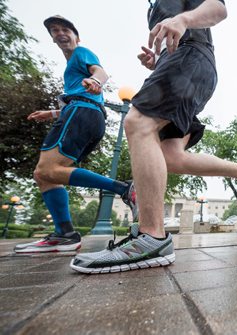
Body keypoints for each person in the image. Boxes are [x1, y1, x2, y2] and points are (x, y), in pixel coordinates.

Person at [70, 0, 237, 274]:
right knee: (171, 157)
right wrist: (156, 60)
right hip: (180, 65)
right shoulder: (153, 7)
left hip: (190, 60)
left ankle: (152, 238)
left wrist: (184, 20)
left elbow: (218, 8)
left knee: (138, 123)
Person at [14, 16, 137, 253]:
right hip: (85, 115)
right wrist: (51, 113)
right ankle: (65, 233)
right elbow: (81, 97)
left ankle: (124, 189)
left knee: (45, 170)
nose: (60, 33)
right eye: (54, 30)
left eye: (65, 30)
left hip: (82, 112)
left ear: (76, 37)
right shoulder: (71, 67)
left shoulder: (81, 53)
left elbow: (101, 72)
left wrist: (94, 80)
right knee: (47, 176)